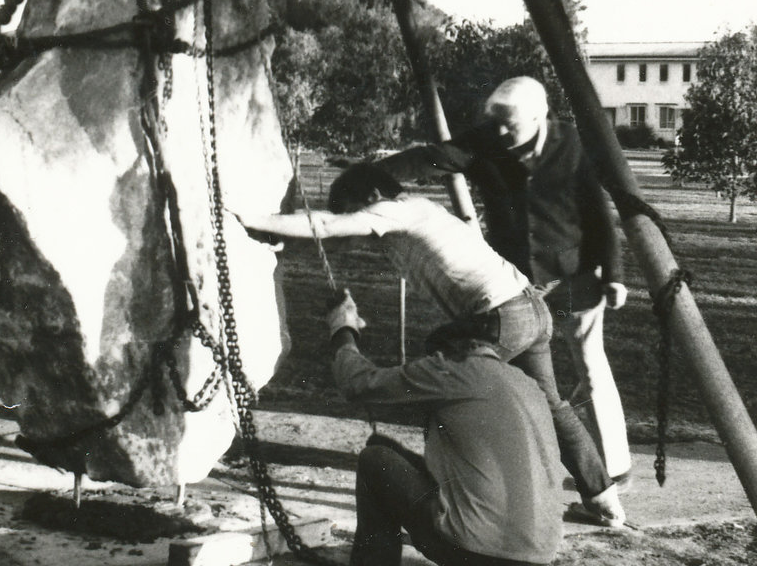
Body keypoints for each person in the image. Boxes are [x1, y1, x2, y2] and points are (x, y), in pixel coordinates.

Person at [236, 160, 626, 528]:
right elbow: (330, 238)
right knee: (550, 404)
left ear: (372, 196)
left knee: (444, 395)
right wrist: (274, 234)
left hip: (501, 316)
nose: (356, 226)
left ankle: (454, 498)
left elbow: (326, 224)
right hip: (528, 308)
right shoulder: (415, 217)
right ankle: (604, 500)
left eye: (354, 212)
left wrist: (251, 219)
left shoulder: (401, 210)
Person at [382, 76, 633, 491]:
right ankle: (523, 462)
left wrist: (616, 276)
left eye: (508, 124)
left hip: (575, 284)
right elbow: (432, 157)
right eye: (493, 123)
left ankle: (614, 468)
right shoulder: (488, 142)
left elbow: (600, 216)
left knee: (589, 362)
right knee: (526, 374)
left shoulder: (573, 146)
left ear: (538, 117)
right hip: (517, 286)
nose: (498, 133)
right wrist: (374, 174)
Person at [323, 289, 561, 566]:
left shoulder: (454, 369)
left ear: (447, 351)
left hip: (482, 550)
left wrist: (344, 330)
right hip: (536, 555)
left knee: (375, 463)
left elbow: (357, 383)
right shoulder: (525, 384)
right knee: (467, 510)